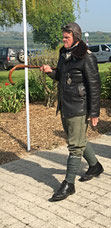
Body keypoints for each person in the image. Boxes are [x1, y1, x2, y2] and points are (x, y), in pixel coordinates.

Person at [40, 23, 102, 201]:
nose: (63, 39)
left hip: (79, 106)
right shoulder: (63, 53)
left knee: (74, 146)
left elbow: (94, 86)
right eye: (63, 36)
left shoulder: (86, 57)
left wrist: (94, 113)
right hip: (65, 105)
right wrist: (51, 71)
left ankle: (69, 184)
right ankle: (95, 166)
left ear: (76, 36)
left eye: (67, 37)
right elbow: (61, 75)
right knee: (78, 139)